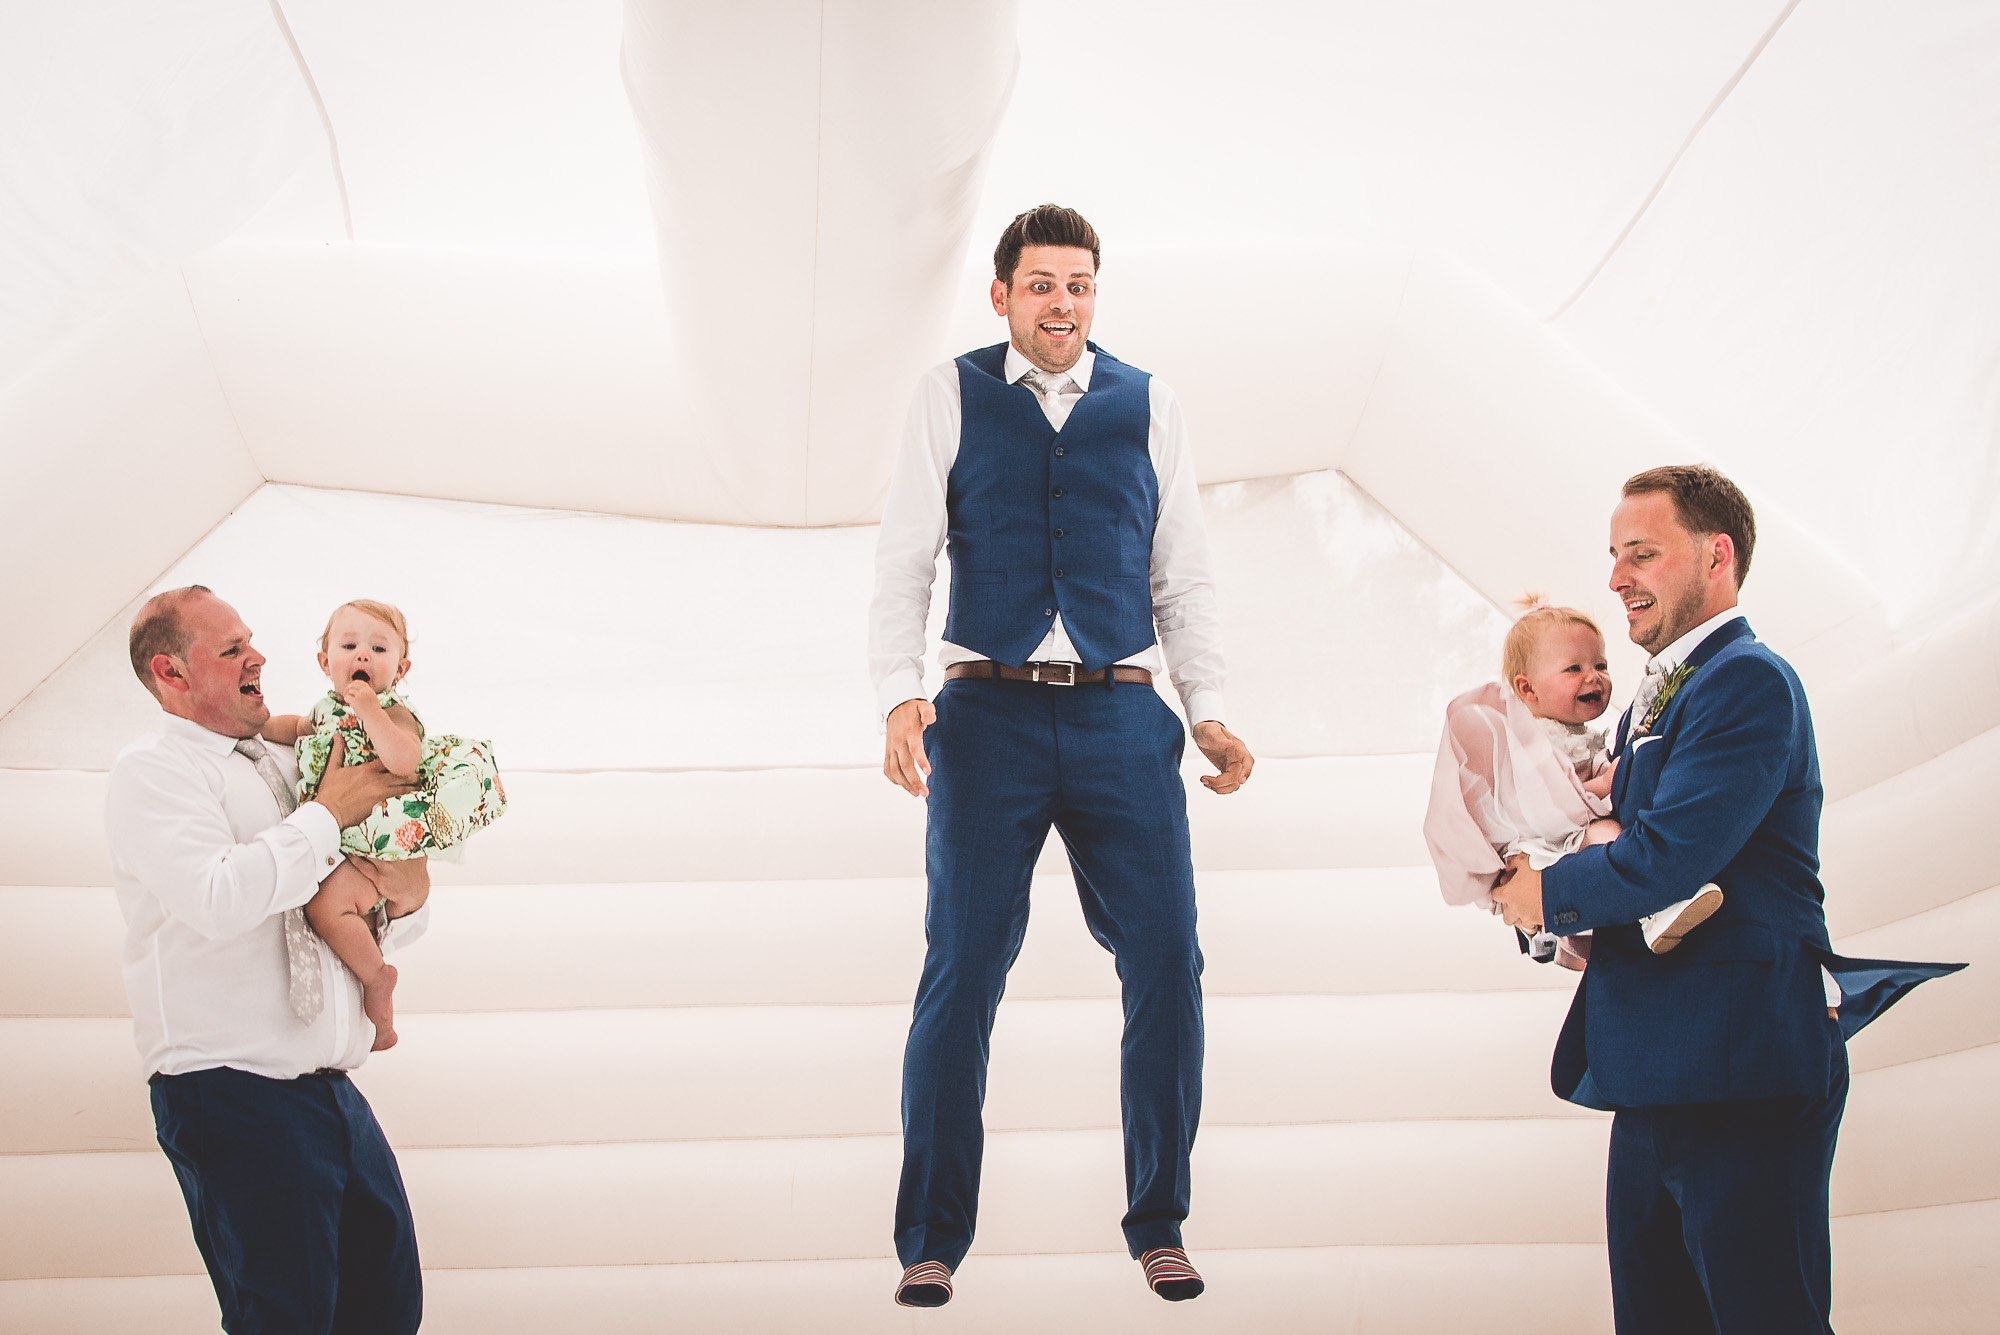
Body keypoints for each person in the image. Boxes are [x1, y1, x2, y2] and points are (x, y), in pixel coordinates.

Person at [870, 204, 1253, 1308]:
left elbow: (1182, 571)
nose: (1061, 304)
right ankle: (931, 1237)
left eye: (1078, 285)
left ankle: (1158, 1220)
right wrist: (898, 696)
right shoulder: (947, 395)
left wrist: (1210, 704)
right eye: (1039, 285)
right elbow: (902, 557)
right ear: (1001, 296)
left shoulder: (1151, 404)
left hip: (1120, 716)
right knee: (961, 970)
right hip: (982, 715)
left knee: (1168, 961)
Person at [1490, 467, 1963, 1334]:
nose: (1616, 577)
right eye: (1613, 556)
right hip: (1651, 1074)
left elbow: (1668, 855)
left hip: (1740, 1060)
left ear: (1717, 555)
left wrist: (1542, 894)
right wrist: (1542, 906)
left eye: (1642, 553)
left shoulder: (1748, 680)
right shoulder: (1642, 703)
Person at [105, 586, 433, 1335]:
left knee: (386, 1312)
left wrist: (403, 897)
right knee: (286, 1319)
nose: (259, 657)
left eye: (252, 640)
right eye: (231, 649)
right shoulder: (152, 771)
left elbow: (354, 901)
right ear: (172, 672)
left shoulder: (298, 758)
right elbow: (219, 897)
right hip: (230, 1087)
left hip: (332, 1090)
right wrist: (328, 813)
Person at [261, 599, 506, 1050]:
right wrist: (255, 727)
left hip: (375, 846)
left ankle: (376, 979)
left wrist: (372, 712)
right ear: (324, 661)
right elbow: (291, 726)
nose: (362, 656)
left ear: (401, 667)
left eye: (378, 648)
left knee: (324, 909)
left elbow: (404, 759)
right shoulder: (321, 712)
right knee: (329, 910)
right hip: (342, 845)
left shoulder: (393, 710)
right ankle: (379, 1008)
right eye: (349, 645)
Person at [1424, 597, 1722, 968]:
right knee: (1609, 836)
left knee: (1608, 840)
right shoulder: (1537, 741)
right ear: (1528, 690)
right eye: (1573, 669)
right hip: (1546, 838)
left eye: (1601, 665)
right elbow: (1558, 794)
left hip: (1565, 836)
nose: (1593, 676)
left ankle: (1550, 933)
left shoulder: (1582, 735)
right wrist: (1611, 781)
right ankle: (1658, 911)